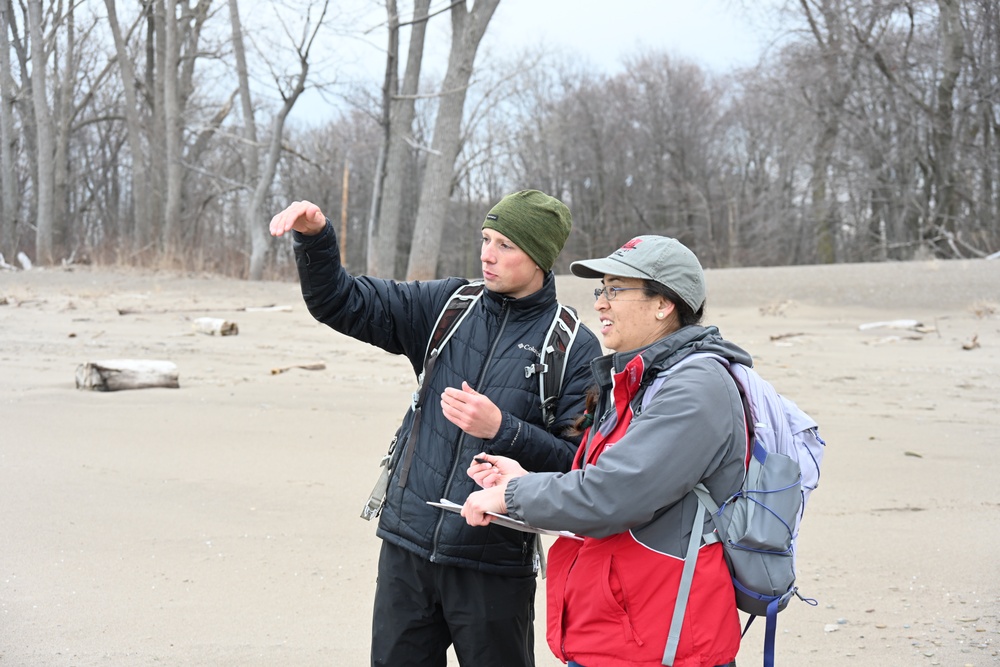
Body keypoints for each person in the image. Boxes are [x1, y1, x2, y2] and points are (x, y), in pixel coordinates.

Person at [268, 190, 602, 667]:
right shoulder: (449, 305)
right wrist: (316, 238)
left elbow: (580, 468)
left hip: (494, 563)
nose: (487, 254)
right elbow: (340, 301)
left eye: (505, 244)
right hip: (407, 548)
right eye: (486, 239)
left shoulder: (572, 346)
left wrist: (502, 428)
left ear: (540, 256)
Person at [461, 235, 748, 667]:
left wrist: (512, 495)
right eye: (602, 290)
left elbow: (611, 495)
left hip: (665, 643)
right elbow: (599, 485)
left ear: (663, 304)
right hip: (622, 634)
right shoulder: (635, 380)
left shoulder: (695, 388)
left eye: (616, 289)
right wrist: (521, 480)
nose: (600, 304)